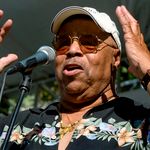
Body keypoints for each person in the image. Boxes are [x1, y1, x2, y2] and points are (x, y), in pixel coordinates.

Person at [0, 5, 150, 150]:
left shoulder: (138, 120)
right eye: (63, 43)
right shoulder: (19, 124)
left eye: (89, 42)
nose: (72, 50)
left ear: (116, 58)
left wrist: (147, 69)